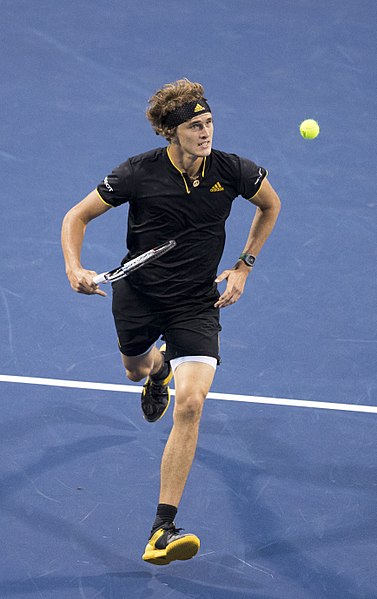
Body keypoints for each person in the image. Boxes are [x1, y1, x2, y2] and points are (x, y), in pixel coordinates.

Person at [61, 78, 281, 566]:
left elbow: (270, 205)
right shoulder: (137, 173)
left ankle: (162, 528)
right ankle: (157, 372)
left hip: (195, 304)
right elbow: (76, 217)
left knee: (191, 403)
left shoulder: (232, 170)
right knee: (135, 370)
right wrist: (75, 267)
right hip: (138, 297)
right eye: (194, 126)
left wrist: (244, 264)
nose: (205, 133)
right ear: (170, 132)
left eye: (208, 123)